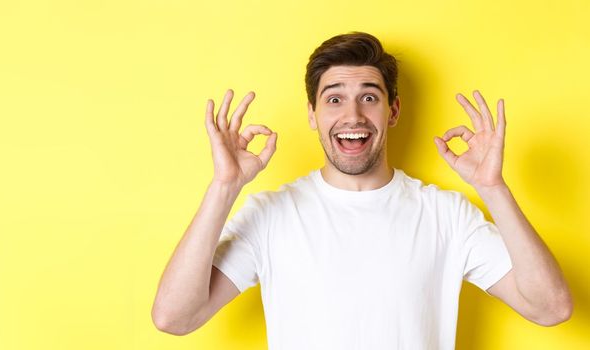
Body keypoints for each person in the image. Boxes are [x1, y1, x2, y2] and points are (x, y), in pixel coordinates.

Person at [151, 32, 572, 349]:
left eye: (368, 97)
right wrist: (224, 187)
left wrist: (493, 188)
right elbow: (174, 317)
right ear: (312, 115)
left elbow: (551, 308)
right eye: (333, 100)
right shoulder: (271, 215)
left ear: (393, 110)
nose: (352, 114)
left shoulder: (447, 214)